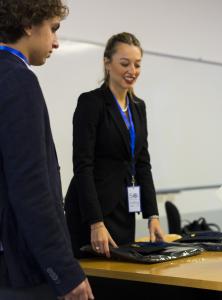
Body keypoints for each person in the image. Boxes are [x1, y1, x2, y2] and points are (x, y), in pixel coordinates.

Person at [0, 1, 94, 299]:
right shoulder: (17, 80)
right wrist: (63, 270)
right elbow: (31, 188)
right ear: (28, 25)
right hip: (18, 265)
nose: (55, 42)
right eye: (53, 29)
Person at [65, 32, 164, 258]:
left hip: (124, 209)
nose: (132, 71)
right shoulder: (91, 102)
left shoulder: (138, 106)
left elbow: (142, 163)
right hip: (92, 212)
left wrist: (153, 215)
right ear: (107, 63)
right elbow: (82, 166)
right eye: (124, 63)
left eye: (137, 64)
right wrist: (95, 222)